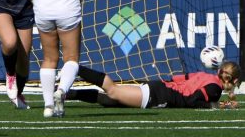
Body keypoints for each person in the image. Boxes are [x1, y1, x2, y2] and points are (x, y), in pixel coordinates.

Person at [67, 61, 241, 109]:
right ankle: (75, 67)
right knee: (113, 91)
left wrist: (166, 86)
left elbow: (178, 78)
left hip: (160, 89)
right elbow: (192, 100)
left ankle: (69, 93)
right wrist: (215, 105)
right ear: (233, 80)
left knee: (109, 101)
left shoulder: (206, 75)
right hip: (158, 95)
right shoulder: (215, 89)